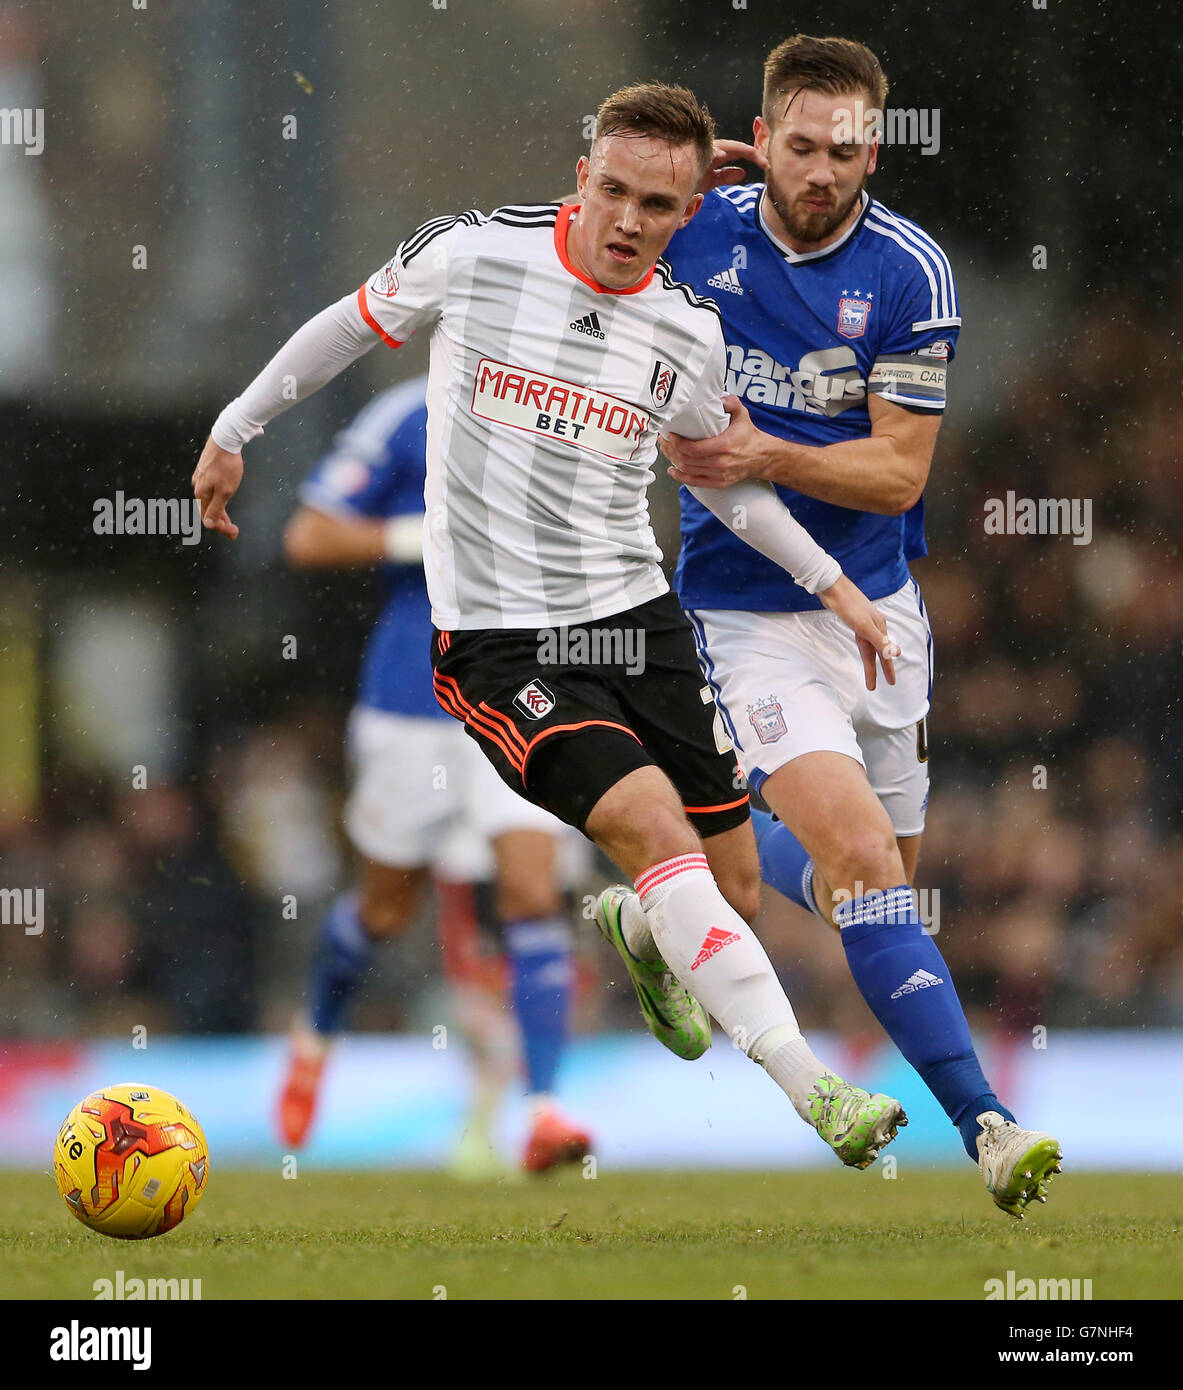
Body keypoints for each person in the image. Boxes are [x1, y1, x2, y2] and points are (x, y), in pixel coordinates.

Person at [192, 81, 909, 1170]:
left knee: (740, 891)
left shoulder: (684, 329)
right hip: (501, 645)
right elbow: (345, 326)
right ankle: (820, 1095)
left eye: (656, 206)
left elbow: (723, 483)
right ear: (582, 176)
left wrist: (834, 587)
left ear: (684, 214)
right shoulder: (476, 255)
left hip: (637, 622)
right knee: (654, 837)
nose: (627, 221)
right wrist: (234, 427)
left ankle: (640, 928)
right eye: (612, 190)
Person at [659, 34, 1061, 1216]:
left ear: (872, 145)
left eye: (845, 149)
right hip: (747, 612)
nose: (823, 170)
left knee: (880, 895)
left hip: (879, 611)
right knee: (860, 866)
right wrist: (675, 168)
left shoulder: (908, 272)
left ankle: (663, 892)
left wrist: (765, 448)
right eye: (800, 146)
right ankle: (987, 1126)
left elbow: (895, 476)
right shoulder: (698, 231)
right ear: (764, 135)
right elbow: (583, 213)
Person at [276, 374, 591, 1174]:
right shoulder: (403, 413)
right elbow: (308, 537)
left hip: (524, 690)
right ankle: (315, 1034)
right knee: (384, 906)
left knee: (531, 888)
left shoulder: (569, 403)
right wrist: (420, 537)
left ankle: (543, 1110)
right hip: (411, 699)